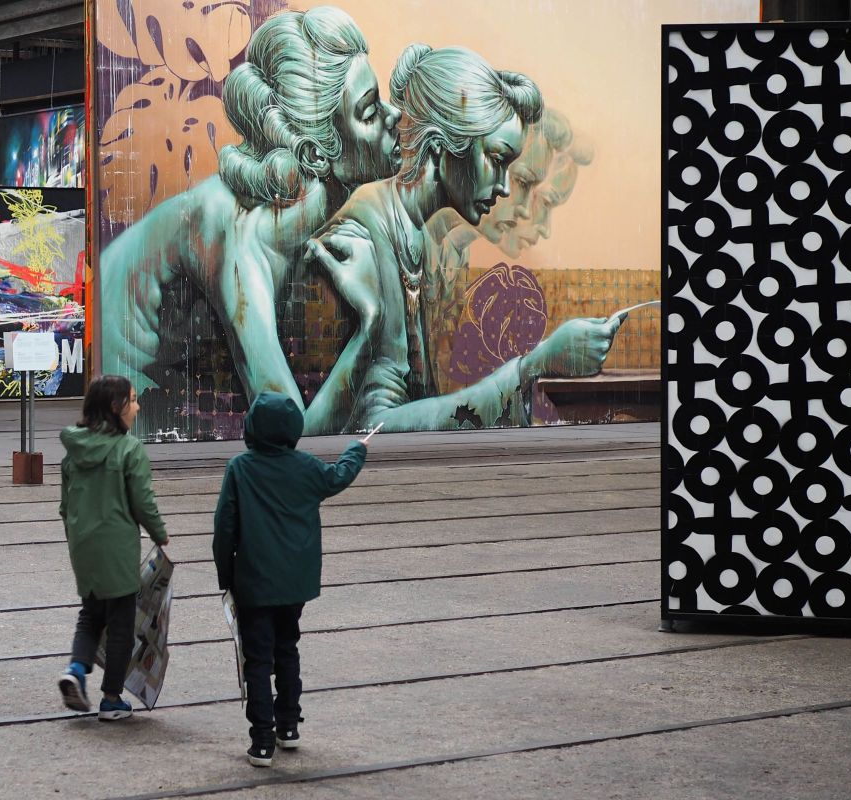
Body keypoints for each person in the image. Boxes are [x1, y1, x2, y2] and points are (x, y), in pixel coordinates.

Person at [304, 45, 623, 434]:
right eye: (497, 159)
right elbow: (374, 427)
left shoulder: (415, 233)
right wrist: (534, 364)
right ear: (440, 146)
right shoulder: (367, 232)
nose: (504, 187)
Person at [97, 6, 402, 410]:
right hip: (124, 387)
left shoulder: (292, 213)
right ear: (314, 151)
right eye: (369, 110)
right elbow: (286, 424)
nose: (393, 114)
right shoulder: (241, 235)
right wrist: (370, 320)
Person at [212, 391, 369, 766]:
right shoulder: (306, 467)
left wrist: (226, 576)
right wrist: (355, 450)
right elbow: (338, 477)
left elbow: (224, 529)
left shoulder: (240, 468)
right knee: (287, 650)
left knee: (258, 660)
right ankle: (288, 727)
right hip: (295, 582)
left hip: (253, 581)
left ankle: (262, 741)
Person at [55, 375, 168, 720]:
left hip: (83, 546)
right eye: (132, 400)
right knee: (121, 623)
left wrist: (77, 536)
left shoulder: (73, 452)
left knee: (90, 615)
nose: (137, 406)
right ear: (116, 408)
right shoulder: (129, 449)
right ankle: (111, 698)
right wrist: (159, 533)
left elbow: (65, 506)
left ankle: (75, 670)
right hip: (117, 546)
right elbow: (142, 502)